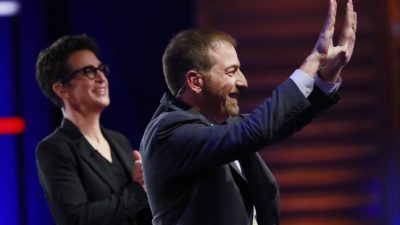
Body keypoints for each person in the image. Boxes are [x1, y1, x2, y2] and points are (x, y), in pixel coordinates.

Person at [139, 0, 357, 225]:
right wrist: (312, 62)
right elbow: (256, 129)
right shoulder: (168, 132)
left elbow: (280, 121)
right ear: (195, 81)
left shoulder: (219, 124)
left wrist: (325, 78)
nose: (243, 82)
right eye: (231, 72)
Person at [35, 34, 152, 225]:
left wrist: (151, 184)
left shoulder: (119, 141)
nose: (101, 78)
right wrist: (138, 190)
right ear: (61, 89)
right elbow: (77, 219)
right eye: (89, 71)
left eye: (101, 69)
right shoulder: (54, 149)